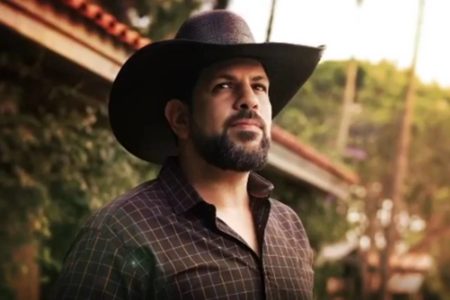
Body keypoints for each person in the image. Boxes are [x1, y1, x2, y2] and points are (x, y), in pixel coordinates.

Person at [53, 9, 324, 300]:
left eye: (259, 86)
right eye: (224, 86)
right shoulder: (120, 236)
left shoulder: (289, 228)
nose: (249, 100)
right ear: (180, 119)